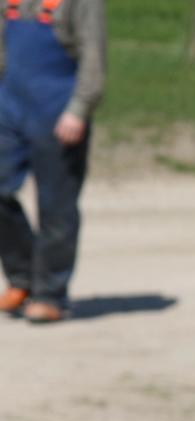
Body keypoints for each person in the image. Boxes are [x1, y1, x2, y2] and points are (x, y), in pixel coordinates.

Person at [0, 0, 105, 324]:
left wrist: (79, 110)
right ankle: (23, 278)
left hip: (57, 109)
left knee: (56, 206)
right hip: (10, 105)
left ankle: (50, 294)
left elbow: (93, 54)